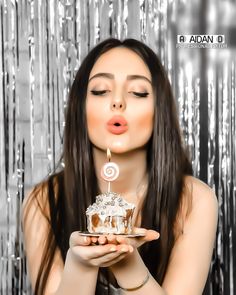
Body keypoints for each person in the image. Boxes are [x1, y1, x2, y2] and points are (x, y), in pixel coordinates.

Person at [22, 38, 218, 295]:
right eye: (100, 90)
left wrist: (128, 263)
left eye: (138, 92)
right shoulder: (43, 202)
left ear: (159, 110)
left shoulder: (195, 200)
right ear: (80, 108)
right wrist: (81, 265)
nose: (117, 102)